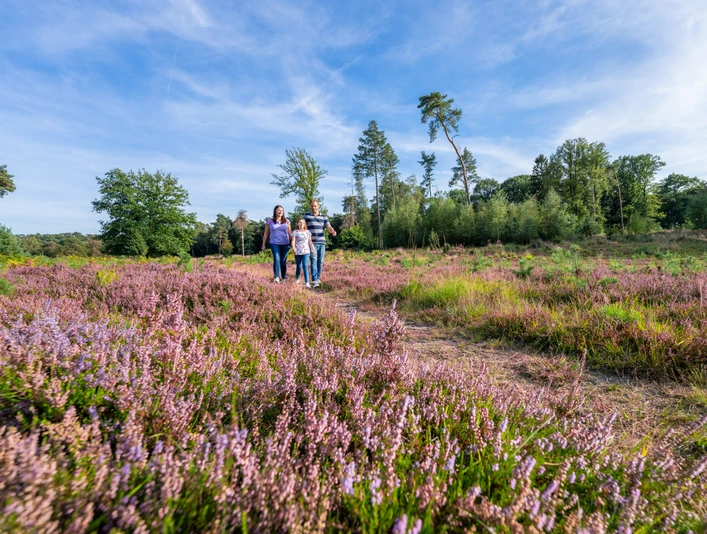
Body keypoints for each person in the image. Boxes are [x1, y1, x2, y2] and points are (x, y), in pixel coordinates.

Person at [303, 199, 336, 287]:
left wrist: (332, 231)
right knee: (313, 260)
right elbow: (302, 226)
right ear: (310, 207)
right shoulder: (306, 216)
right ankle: (314, 280)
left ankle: (318, 278)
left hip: (321, 242)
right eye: (312, 206)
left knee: (320, 262)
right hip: (311, 242)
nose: (313, 207)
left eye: (315, 206)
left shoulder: (324, 217)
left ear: (318, 206)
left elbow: (328, 226)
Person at [261, 205, 291, 283]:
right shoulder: (270, 221)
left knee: (283, 261)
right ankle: (277, 277)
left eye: (282, 210)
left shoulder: (287, 221)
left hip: (285, 243)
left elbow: (290, 232)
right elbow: (266, 233)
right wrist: (263, 244)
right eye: (278, 210)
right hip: (274, 243)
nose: (280, 211)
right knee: (277, 259)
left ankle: (284, 278)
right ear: (275, 211)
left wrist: (294, 244)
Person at [290, 218, 316, 288]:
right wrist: (293, 248)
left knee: (305, 265)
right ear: (297, 224)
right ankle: (297, 278)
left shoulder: (307, 232)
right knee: (299, 266)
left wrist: (313, 250)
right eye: (300, 223)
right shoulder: (295, 232)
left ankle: (307, 282)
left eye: (303, 223)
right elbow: (293, 241)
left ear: (305, 224)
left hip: (306, 251)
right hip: (297, 251)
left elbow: (310, 241)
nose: (301, 224)